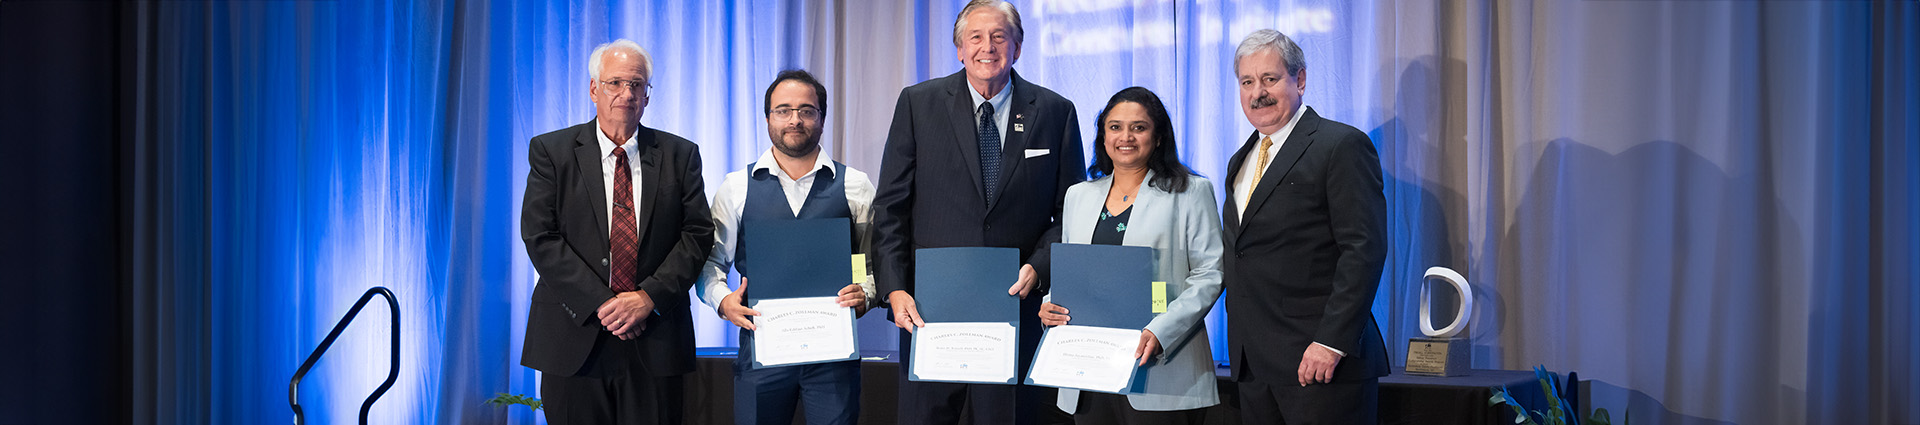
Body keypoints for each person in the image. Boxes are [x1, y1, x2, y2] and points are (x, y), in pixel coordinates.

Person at [871, 1, 1087, 423]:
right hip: (929, 310)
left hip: (1014, 306)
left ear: (1018, 47)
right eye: (975, 37)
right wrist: (893, 289)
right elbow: (891, 208)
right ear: (959, 49)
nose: (987, 47)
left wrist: (1039, 267)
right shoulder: (919, 103)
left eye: (999, 36)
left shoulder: (1055, 111)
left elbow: (1071, 211)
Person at [519, 39, 715, 425]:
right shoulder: (551, 150)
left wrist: (647, 297)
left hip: (655, 335)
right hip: (574, 334)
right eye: (615, 83)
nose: (627, 94)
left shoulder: (680, 154)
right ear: (594, 89)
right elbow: (541, 235)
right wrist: (604, 303)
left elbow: (697, 234)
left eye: (637, 85)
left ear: (648, 95)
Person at [1221, 29, 1391, 424]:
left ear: (1299, 80)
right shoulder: (1240, 160)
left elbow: (1363, 249)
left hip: (1320, 365)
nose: (1257, 92)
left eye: (1269, 79)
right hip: (1254, 367)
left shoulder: (1340, 145)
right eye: (1247, 82)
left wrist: (1331, 342)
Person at [695, 69, 876, 425]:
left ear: (822, 119)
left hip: (834, 353)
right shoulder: (736, 187)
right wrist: (722, 300)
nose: (795, 119)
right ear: (767, 119)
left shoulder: (856, 185)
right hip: (762, 348)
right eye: (783, 110)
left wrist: (865, 293)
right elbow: (709, 261)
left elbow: (869, 261)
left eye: (807, 110)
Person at [1037, 87, 1224, 424]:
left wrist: (1161, 331)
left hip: (1161, 367)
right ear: (1103, 135)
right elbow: (1074, 274)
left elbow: (1210, 274)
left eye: (1139, 127)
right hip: (1089, 369)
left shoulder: (1191, 192)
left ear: (1158, 135)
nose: (1126, 137)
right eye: (1115, 127)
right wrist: (1052, 302)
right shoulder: (1079, 195)